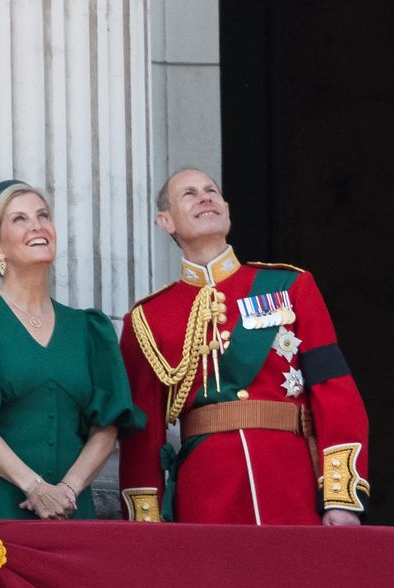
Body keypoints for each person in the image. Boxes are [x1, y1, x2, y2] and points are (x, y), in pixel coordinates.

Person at [118, 169, 370, 524]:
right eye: (189, 194)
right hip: (205, 494)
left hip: (290, 482)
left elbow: (335, 393)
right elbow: (142, 437)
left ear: (227, 208)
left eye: (211, 191)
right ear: (166, 221)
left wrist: (340, 497)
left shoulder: (289, 286)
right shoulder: (147, 319)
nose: (205, 197)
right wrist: (147, 523)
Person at [0, 180, 142, 519]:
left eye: (43, 215)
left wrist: (66, 491)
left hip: (71, 508)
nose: (37, 225)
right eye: (19, 219)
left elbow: (106, 427)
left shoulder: (89, 328)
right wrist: (35, 487)